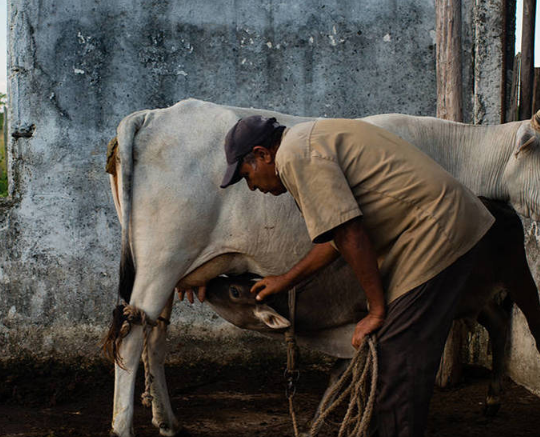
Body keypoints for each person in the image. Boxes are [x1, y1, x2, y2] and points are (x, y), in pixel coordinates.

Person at [212, 115, 494, 437]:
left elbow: (349, 232)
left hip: (436, 229)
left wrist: (376, 310)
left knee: (396, 358)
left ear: (262, 154)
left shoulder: (295, 156)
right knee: (393, 353)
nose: (252, 187)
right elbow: (334, 237)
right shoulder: (304, 142)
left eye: (247, 176)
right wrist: (286, 279)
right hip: (429, 228)